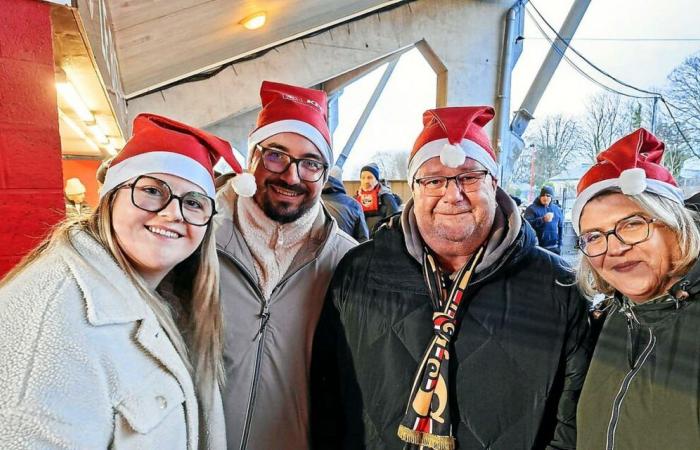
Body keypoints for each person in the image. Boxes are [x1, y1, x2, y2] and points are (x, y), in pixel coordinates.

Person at [312, 106, 591, 449]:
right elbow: (326, 393)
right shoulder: (359, 271)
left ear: (494, 182)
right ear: (415, 187)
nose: (452, 194)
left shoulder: (557, 285)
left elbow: (571, 417)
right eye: (434, 180)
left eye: (469, 177)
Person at [0, 113, 251, 449]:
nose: (172, 213)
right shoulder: (54, 324)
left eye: (192, 202)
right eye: (151, 191)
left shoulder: (164, 298)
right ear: (110, 197)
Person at [215, 81, 357, 449]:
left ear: (324, 175)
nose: (292, 176)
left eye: (311, 163)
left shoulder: (348, 263)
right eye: (276, 155)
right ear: (252, 160)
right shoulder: (197, 243)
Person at [572, 128, 700, 450]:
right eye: (594, 236)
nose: (613, 249)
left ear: (675, 227)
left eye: (632, 225)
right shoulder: (611, 319)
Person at [322, 165, 369, 242]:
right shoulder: (354, 205)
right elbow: (363, 240)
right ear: (340, 180)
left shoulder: (307, 201)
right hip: (345, 252)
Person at [355, 162, 400, 232]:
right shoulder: (355, 200)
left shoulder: (387, 198)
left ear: (376, 180)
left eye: (369, 177)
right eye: (363, 178)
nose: (366, 181)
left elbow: (394, 224)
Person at [525, 185, 564, 254]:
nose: (545, 198)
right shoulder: (531, 209)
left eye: (548, 196)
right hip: (538, 248)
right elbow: (526, 226)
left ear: (552, 197)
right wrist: (542, 220)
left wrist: (560, 245)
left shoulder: (557, 209)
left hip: (554, 247)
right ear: (540, 196)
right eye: (543, 195)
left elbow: (560, 227)